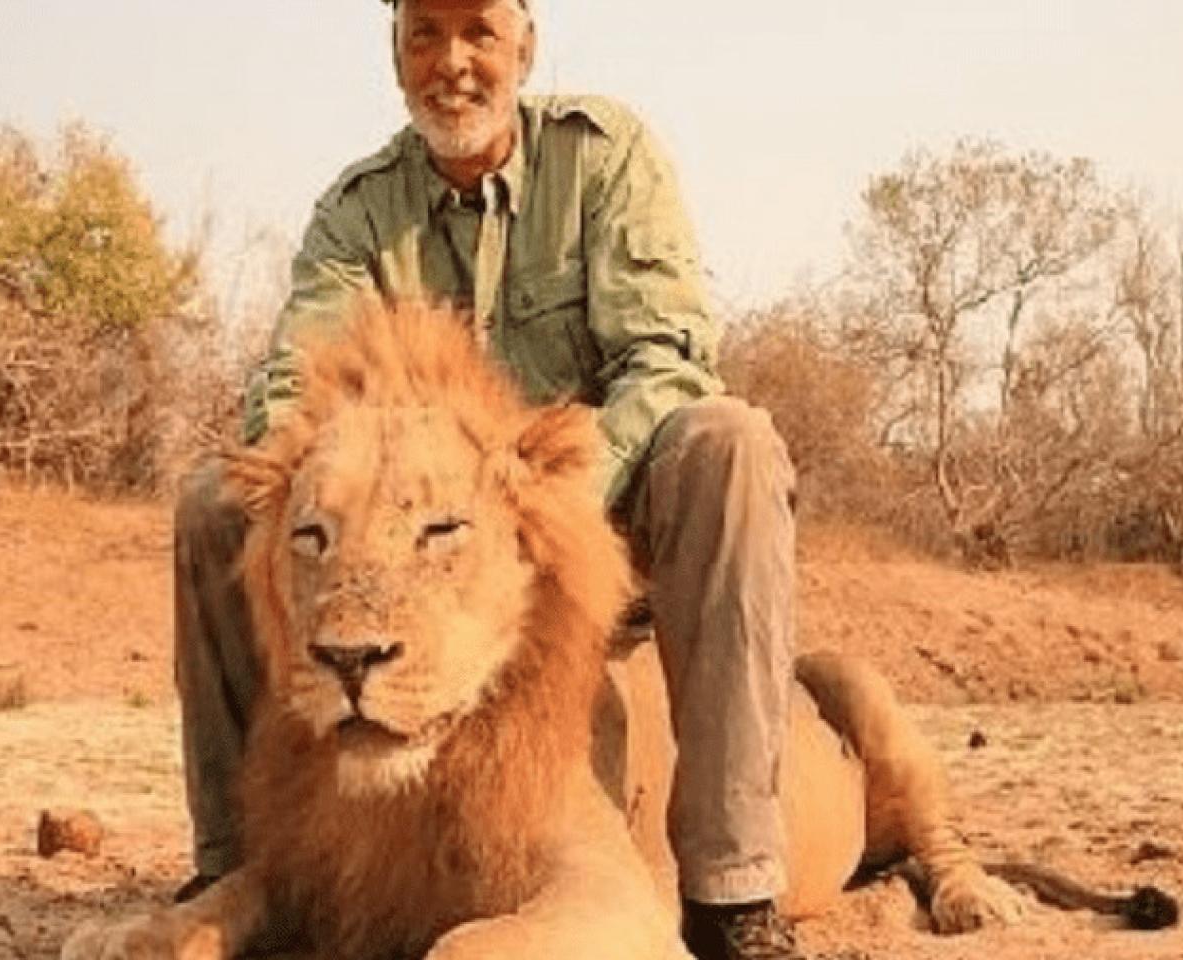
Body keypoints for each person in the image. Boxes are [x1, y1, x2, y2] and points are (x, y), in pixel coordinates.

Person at [172, 1, 801, 958]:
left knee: (730, 441)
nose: (452, 62)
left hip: (593, 525)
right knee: (221, 500)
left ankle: (730, 888)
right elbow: (294, 377)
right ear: (395, 53)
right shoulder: (359, 210)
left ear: (526, 46)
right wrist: (305, 464)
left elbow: (667, 357)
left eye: (479, 32)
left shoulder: (604, 156)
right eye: (424, 32)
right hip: (425, 560)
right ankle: (235, 862)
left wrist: (536, 501)